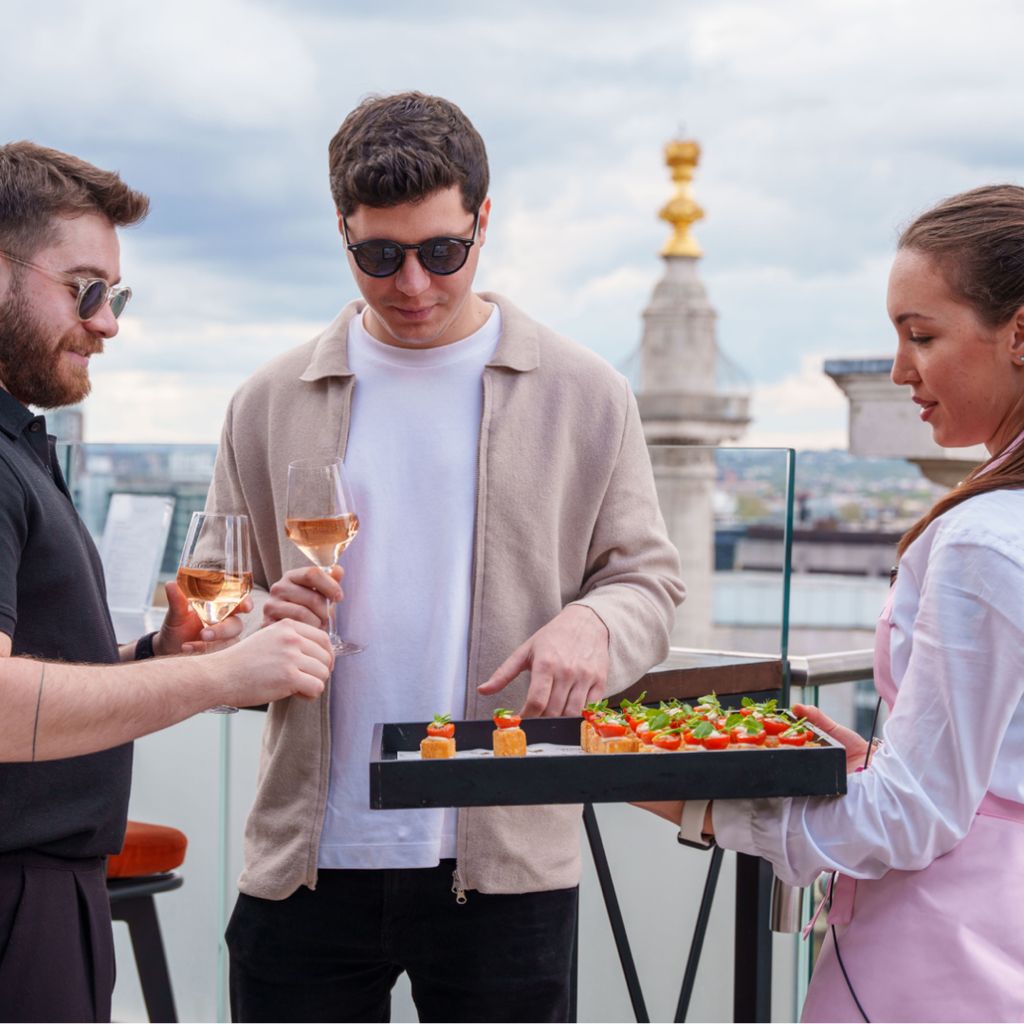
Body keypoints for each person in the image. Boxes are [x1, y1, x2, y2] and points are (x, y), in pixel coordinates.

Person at [207, 91, 685, 1023]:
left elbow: (648, 582)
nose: (413, 285)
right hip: (306, 860)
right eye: (379, 257)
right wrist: (255, 622)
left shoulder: (586, 394)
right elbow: (217, 600)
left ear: (483, 222)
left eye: (442, 252)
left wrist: (594, 621)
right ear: (341, 233)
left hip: (504, 862)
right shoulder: (265, 401)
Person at [640, 184, 1024, 1023]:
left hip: (940, 958)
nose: (898, 370)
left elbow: (909, 819)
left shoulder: (980, 542)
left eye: (921, 335)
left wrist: (683, 794)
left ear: (1019, 333)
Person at [0, 141, 333, 1023]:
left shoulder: (19, 444)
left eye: (117, 294)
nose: (108, 322)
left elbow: (33, 660)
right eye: (85, 288)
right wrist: (223, 675)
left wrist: (153, 653)